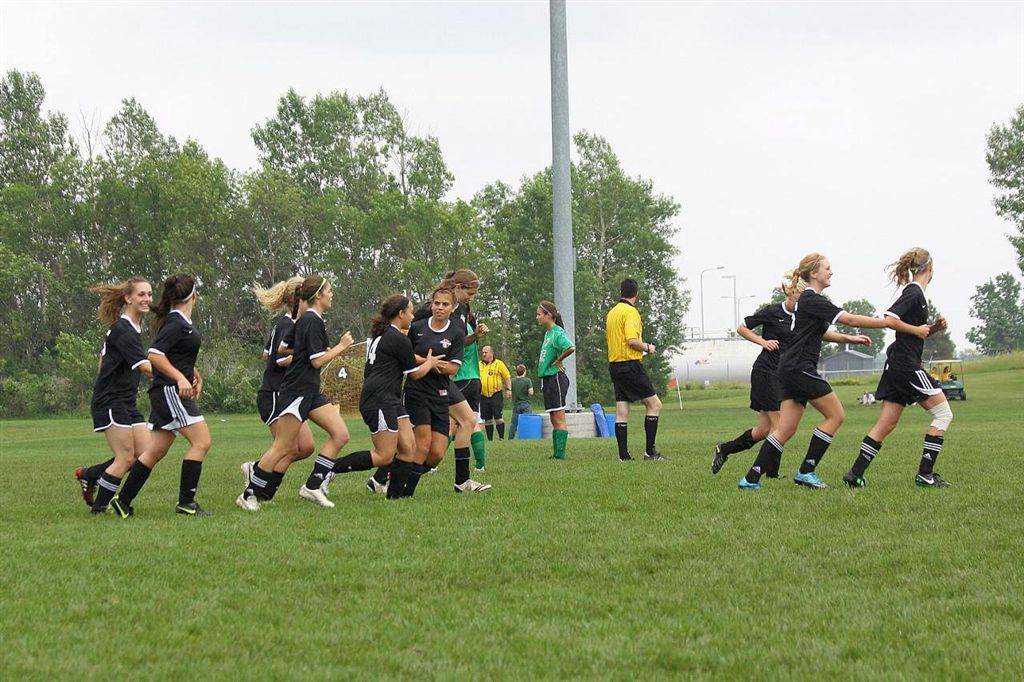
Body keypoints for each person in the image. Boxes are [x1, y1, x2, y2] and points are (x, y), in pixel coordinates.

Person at [737, 254, 926, 490]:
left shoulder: (807, 301)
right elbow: (850, 319)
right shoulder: (812, 299)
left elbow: (822, 332)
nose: (831, 272)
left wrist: (851, 339)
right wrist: (888, 322)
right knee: (836, 415)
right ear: (814, 273)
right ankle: (806, 471)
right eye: (827, 268)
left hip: (789, 368)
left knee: (785, 429)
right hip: (800, 368)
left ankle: (750, 479)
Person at [236, 275, 356, 511]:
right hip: (296, 391)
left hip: (310, 392)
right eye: (329, 291)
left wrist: (304, 349)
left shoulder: (306, 320)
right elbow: (316, 361)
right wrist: (341, 347)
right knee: (283, 447)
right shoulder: (311, 320)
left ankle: (313, 486)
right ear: (318, 295)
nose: (332, 295)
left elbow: (283, 348)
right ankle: (248, 495)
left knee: (341, 434)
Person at [842, 248, 953, 488]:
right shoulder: (914, 292)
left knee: (886, 424)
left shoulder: (917, 293)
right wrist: (916, 329)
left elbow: (914, 333)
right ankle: (925, 474)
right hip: (906, 366)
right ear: (930, 268)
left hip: (896, 365)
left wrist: (934, 328)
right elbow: (890, 319)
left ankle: (854, 474)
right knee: (943, 414)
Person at [113, 273, 212, 517]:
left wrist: (194, 375)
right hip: (170, 392)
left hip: (167, 391)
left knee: (155, 451)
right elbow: (155, 354)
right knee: (201, 442)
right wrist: (179, 378)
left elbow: (177, 356)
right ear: (194, 295)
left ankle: (122, 501)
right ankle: (186, 503)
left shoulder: (181, 322)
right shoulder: (176, 322)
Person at [348, 294, 442, 499]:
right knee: (384, 455)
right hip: (379, 398)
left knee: (409, 448)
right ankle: (327, 468)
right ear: (400, 313)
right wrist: (430, 363)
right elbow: (415, 374)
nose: (413, 316)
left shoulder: (381, 335)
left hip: (390, 397)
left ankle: (395, 497)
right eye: (410, 312)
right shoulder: (397, 338)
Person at [75, 277, 154, 513]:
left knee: (145, 453)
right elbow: (145, 368)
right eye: (141, 294)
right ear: (128, 298)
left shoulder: (131, 328)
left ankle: (91, 474)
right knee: (125, 457)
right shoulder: (123, 329)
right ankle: (99, 510)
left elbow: (103, 359)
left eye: (150, 294)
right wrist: (178, 377)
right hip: (111, 401)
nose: (147, 299)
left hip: (126, 402)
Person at [711, 278, 800, 475]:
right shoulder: (772, 311)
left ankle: (724, 449)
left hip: (781, 376)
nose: (802, 302)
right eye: (799, 297)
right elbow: (742, 328)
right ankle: (771, 474)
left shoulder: (801, 317)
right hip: (765, 372)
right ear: (791, 293)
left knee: (763, 430)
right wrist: (763, 341)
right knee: (779, 426)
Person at [244, 277, 315, 501]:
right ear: (297, 298)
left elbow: (265, 354)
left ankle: (257, 472)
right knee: (286, 447)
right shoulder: (287, 325)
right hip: (275, 394)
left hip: (288, 393)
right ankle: (257, 490)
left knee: (305, 447)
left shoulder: (290, 324)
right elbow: (277, 359)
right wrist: (305, 356)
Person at [400, 286, 466, 496]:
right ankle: (405, 492)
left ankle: (398, 473)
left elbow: (453, 368)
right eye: (437, 303)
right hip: (416, 391)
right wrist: (428, 361)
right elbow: (406, 356)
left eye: (445, 304)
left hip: (440, 394)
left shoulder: (457, 333)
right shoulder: (417, 327)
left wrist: (432, 364)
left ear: (453, 308)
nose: (440, 307)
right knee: (423, 443)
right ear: (432, 304)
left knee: (437, 453)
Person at [605, 277, 665, 462]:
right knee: (654, 405)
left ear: (620, 292)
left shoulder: (612, 313)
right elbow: (631, 340)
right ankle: (650, 452)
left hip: (614, 366)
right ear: (636, 293)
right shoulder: (630, 312)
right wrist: (648, 347)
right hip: (630, 365)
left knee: (622, 410)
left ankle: (623, 455)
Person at [447, 270, 490, 472]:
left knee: (451, 423)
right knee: (472, 421)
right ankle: (480, 465)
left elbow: (457, 349)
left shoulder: (458, 330)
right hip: (475, 380)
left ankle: (431, 464)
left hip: (460, 378)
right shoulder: (469, 329)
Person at [536, 300, 576, 460]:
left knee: (559, 418)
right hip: (548, 379)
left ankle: (560, 455)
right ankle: (556, 453)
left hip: (556, 379)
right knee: (553, 417)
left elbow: (570, 347)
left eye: (539, 314)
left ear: (549, 315)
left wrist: (559, 360)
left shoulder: (557, 332)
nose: (537, 317)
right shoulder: (548, 333)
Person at [478, 345, 512, 441]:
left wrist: (509, 389)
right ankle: (490, 440)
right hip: (483, 395)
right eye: (483, 352)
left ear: (491, 353)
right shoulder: (479, 365)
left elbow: (507, 377)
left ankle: (501, 438)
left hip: (495, 394)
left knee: (498, 417)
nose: (484, 354)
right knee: (487, 419)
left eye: (486, 352)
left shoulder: (499, 364)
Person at [508, 364, 534, 440]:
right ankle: (525, 437)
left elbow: (509, 392)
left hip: (516, 405)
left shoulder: (512, 381)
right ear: (524, 371)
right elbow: (531, 392)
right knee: (527, 423)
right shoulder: (527, 380)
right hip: (526, 404)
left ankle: (510, 438)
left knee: (513, 424)